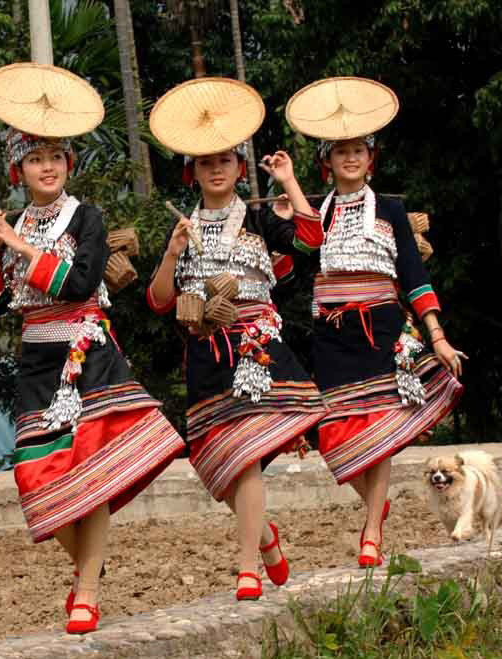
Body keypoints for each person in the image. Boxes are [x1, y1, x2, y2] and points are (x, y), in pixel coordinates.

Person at [0, 129, 185, 633]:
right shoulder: (15, 224)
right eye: (34, 160)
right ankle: (90, 563)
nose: (47, 167)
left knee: (90, 474)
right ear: (18, 171)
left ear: (68, 163)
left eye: (55, 157)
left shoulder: (86, 217)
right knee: (33, 474)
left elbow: (79, 284)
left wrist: (20, 247)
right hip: (35, 359)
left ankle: (87, 591)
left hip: (84, 351)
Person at [147, 142, 328, 601]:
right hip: (206, 353)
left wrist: (288, 180)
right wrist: (172, 253)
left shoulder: (259, 218)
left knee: (244, 458)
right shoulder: (183, 226)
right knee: (217, 468)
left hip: (255, 347)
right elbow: (159, 300)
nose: (215, 169)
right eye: (205, 162)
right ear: (193, 172)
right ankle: (264, 536)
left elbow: (310, 239)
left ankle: (247, 568)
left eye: (224, 161)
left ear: (240, 168)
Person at [303, 131, 465, 568]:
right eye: (342, 151)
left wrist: (437, 335)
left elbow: (412, 272)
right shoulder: (316, 214)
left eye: (358, 151)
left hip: (380, 331)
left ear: (370, 159)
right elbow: (288, 259)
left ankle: (372, 529)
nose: (351, 158)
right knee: (331, 433)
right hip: (331, 336)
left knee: (378, 430)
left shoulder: (390, 210)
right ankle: (377, 505)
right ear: (328, 161)